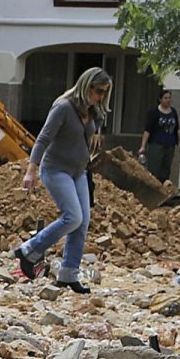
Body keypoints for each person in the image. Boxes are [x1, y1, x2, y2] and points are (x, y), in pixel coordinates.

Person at [13, 66, 112, 295]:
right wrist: (30, 171)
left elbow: (91, 128)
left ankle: (68, 274)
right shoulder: (64, 107)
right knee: (73, 217)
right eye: (98, 91)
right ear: (86, 86)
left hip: (79, 171)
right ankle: (30, 249)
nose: (101, 96)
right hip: (55, 169)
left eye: (104, 92)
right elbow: (43, 139)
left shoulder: (93, 109)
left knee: (82, 222)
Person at [138, 90, 180, 183]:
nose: (168, 100)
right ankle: (152, 188)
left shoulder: (173, 112)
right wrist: (143, 146)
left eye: (169, 98)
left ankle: (164, 187)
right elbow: (147, 130)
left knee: (165, 169)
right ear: (160, 99)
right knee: (154, 168)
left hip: (170, 144)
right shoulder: (154, 112)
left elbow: (176, 130)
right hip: (156, 144)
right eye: (165, 98)